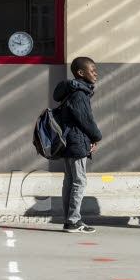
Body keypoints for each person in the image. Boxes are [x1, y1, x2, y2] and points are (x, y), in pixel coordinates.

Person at [53, 57, 103, 233]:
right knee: (79, 181)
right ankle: (73, 220)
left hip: (68, 142)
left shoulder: (71, 91)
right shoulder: (79, 94)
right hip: (76, 142)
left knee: (70, 180)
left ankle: (70, 220)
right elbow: (85, 120)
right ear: (81, 73)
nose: (95, 73)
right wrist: (96, 137)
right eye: (92, 70)